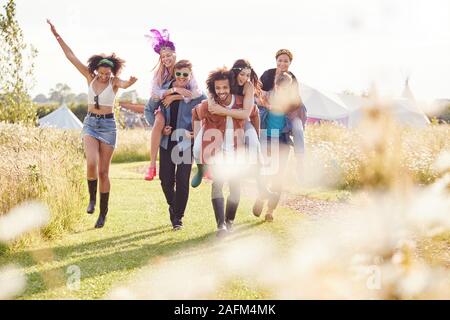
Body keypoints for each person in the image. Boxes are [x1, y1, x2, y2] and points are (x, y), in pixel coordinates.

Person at [47, 19, 137, 229]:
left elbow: (123, 84)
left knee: (104, 172)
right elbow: (71, 57)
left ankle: (103, 214)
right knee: (91, 163)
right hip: (90, 124)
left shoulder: (114, 82)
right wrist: (57, 36)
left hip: (108, 127)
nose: (105, 77)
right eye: (102, 73)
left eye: (108, 74)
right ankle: (92, 200)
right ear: (96, 70)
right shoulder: (89, 77)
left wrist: (129, 83)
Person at [192, 68, 259, 237]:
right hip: (218, 151)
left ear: (231, 86)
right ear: (213, 89)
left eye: (225, 87)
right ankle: (220, 225)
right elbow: (195, 114)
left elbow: (255, 113)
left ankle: (229, 221)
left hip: (238, 151)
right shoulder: (209, 104)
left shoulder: (241, 102)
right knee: (217, 185)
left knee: (235, 190)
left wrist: (254, 135)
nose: (221, 91)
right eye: (218, 88)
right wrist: (197, 134)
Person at [191, 59, 261, 188]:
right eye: (242, 74)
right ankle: (201, 170)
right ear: (235, 72)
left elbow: (246, 113)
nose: (245, 78)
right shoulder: (227, 79)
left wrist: (222, 110)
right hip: (223, 120)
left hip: (243, 119)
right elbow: (212, 89)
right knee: (197, 148)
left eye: (248, 75)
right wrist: (211, 102)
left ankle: (258, 180)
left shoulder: (248, 86)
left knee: (254, 143)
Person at [143, 29, 202, 181]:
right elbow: (157, 94)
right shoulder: (160, 75)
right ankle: (151, 165)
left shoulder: (183, 70)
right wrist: (173, 90)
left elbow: (194, 94)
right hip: (163, 108)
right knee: (158, 122)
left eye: (168, 55)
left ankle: (202, 165)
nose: (165, 59)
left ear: (175, 54)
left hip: (181, 114)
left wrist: (175, 97)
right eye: (163, 57)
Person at [157, 60, 206, 230]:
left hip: (185, 142)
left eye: (186, 74)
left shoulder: (198, 94)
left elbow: (207, 111)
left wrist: (197, 130)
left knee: (182, 179)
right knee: (165, 180)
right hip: (166, 141)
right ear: (174, 74)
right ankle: (174, 205)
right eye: (179, 74)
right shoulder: (163, 90)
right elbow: (149, 110)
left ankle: (178, 218)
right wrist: (161, 128)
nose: (182, 77)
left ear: (190, 75)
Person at [253, 72, 300, 222]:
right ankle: (261, 197)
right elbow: (255, 108)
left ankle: (270, 211)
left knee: (279, 177)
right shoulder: (266, 98)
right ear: (277, 86)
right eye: (282, 88)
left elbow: (300, 121)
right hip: (267, 138)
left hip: (283, 140)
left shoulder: (293, 104)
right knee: (266, 173)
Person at [259, 49, 306, 156]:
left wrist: (283, 108)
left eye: (286, 61)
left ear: (290, 63)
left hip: (287, 109)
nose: (282, 63)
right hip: (267, 107)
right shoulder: (268, 74)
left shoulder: (292, 78)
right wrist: (269, 105)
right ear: (276, 61)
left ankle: (300, 159)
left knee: (298, 128)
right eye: (280, 60)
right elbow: (259, 93)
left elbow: (295, 101)